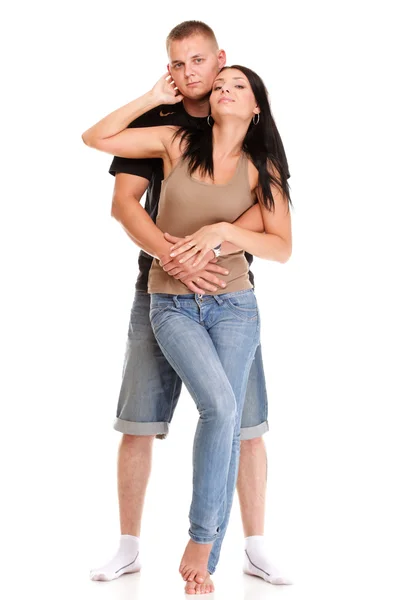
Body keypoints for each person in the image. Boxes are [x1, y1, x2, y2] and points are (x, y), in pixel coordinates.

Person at [84, 21, 292, 593]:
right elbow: (124, 206)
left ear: (220, 60)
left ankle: (251, 545)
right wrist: (172, 257)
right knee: (139, 420)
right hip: (161, 291)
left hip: (231, 296)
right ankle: (130, 547)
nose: (194, 75)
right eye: (178, 64)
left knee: (243, 422)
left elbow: (271, 228)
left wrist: (220, 237)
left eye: (202, 62)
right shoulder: (164, 129)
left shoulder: (259, 149)